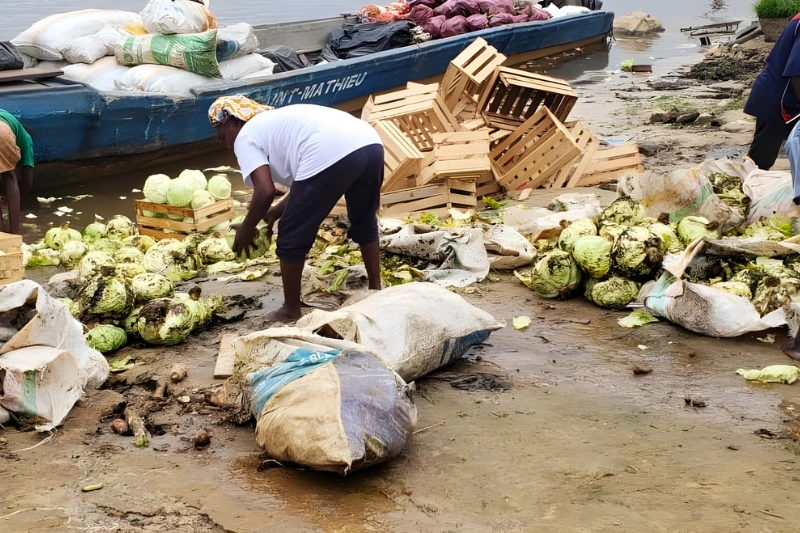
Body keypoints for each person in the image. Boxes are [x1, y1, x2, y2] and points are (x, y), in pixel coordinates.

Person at [208, 96, 384, 323]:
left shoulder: (246, 135)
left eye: (223, 137)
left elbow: (264, 191)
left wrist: (247, 228)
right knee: (364, 218)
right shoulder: (274, 123)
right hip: (369, 141)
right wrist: (272, 214)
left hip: (330, 148)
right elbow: (303, 186)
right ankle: (376, 289)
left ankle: (290, 309)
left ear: (231, 121)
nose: (226, 144)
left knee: (291, 232)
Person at [744, 12, 800, 170]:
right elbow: (796, 72)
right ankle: (745, 188)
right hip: (777, 98)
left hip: (784, 96)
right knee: (760, 162)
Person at [0, 109, 34, 234]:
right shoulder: (26, 139)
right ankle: (15, 232)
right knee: (10, 177)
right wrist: (17, 196)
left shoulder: (6, 115)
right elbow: (28, 180)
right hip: (2, 131)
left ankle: (1, 234)